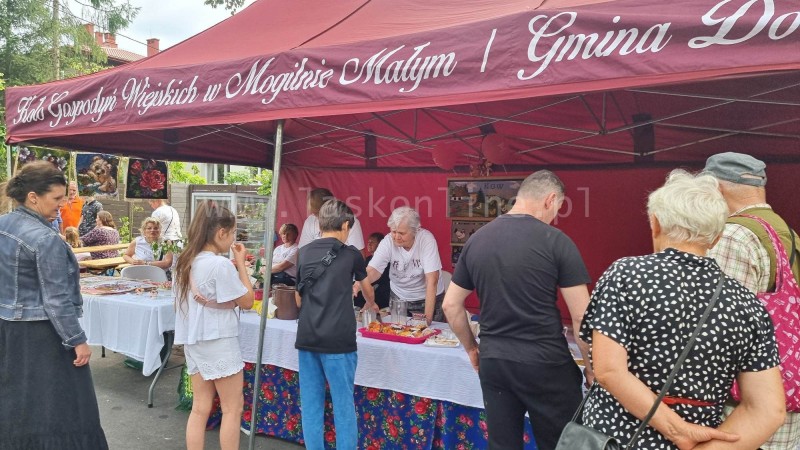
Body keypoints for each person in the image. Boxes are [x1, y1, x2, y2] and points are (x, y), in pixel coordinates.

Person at [579, 169, 785, 449]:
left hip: (614, 439)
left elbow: (609, 370)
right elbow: (768, 410)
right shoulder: (748, 305)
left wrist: (676, 431)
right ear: (716, 237)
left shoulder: (626, 275)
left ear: (656, 223)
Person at [442, 170, 592, 450]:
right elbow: (582, 316)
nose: (554, 216)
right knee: (563, 444)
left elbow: (450, 305)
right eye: (558, 208)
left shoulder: (477, 239)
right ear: (550, 199)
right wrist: (591, 368)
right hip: (546, 362)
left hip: (495, 361)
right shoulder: (557, 241)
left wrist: (472, 348)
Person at [0, 161, 108, 449]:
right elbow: (56, 299)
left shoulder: (3, 225)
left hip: (8, 330)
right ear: (33, 197)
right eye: (57, 198)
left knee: (17, 402)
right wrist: (77, 340)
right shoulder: (45, 238)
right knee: (65, 409)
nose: (62, 204)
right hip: (42, 335)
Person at [704, 152, 800, 449]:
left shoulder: (733, 235)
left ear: (715, 188)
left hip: (746, 404)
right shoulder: (787, 233)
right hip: (786, 388)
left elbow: (720, 327)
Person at [295, 199, 377, 450]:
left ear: (320, 224)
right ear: (344, 225)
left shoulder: (303, 252)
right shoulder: (352, 254)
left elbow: (298, 299)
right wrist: (370, 302)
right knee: (343, 405)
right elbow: (368, 292)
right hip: (339, 339)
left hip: (307, 337)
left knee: (311, 405)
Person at [173, 200, 254, 450]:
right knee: (233, 408)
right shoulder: (219, 264)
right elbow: (247, 301)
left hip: (194, 340)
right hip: (219, 340)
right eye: (232, 233)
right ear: (221, 232)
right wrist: (241, 264)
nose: (233, 240)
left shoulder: (185, 261)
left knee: (200, 408)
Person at [361, 207, 445, 324]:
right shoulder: (388, 241)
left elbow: (432, 280)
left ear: (416, 230)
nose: (396, 237)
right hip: (398, 297)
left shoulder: (426, 240)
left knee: (429, 333)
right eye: (393, 232)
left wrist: (427, 320)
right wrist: (359, 284)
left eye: (402, 233)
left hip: (427, 299)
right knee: (397, 330)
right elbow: (372, 271)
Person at [298, 187, 364, 250]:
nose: (318, 218)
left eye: (319, 213)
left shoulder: (350, 220)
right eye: (315, 214)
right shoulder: (310, 221)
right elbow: (302, 251)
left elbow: (358, 253)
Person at [354, 232, 391, 309]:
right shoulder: (366, 260)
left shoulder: (386, 261)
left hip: (380, 294)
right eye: (368, 242)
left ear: (380, 244)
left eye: (372, 242)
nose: (369, 244)